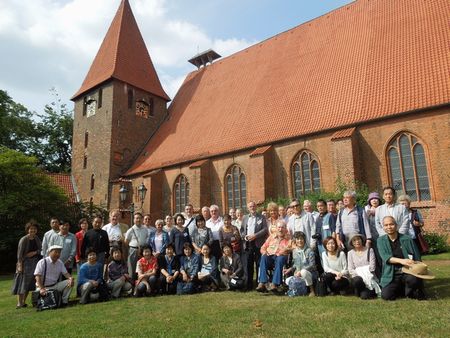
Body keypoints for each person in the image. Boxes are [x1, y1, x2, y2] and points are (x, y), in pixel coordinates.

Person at [377, 216, 429, 300]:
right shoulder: (380, 241)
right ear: (383, 227)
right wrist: (402, 261)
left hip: (408, 272)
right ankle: (404, 289)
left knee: (413, 280)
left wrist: (418, 268)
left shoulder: (407, 239)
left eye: (391, 224)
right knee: (386, 296)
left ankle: (412, 289)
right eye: (386, 225)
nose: (389, 227)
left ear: (396, 225)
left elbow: (417, 257)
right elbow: (386, 257)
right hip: (392, 274)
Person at [13, 221, 42, 309]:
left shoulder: (37, 238)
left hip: (34, 264)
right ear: (27, 230)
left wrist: (34, 252)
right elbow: (19, 254)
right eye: (31, 229)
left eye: (34, 229)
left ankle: (23, 302)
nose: (32, 230)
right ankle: (19, 303)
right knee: (22, 283)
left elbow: (40, 250)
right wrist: (20, 266)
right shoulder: (23, 239)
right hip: (24, 263)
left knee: (29, 284)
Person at [256, 221, 291, 293]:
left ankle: (274, 284)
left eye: (282, 227)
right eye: (279, 227)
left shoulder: (288, 238)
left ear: (285, 229)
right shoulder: (272, 236)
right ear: (276, 228)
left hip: (281, 257)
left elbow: (290, 248)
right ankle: (262, 282)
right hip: (270, 257)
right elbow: (263, 247)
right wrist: (264, 252)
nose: (280, 229)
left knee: (280, 258)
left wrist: (281, 252)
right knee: (263, 257)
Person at [241, 201, 268, 290]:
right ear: (248, 208)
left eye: (253, 206)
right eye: (250, 206)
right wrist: (245, 237)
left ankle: (259, 283)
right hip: (248, 244)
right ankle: (249, 285)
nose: (252, 208)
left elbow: (265, 229)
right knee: (248, 264)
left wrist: (255, 236)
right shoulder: (245, 218)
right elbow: (241, 230)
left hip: (258, 244)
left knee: (259, 264)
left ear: (256, 207)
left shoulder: (262, 217)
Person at [284, 231, 317, 297]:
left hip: (310, 273)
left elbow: (312, 265)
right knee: (287, 280)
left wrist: (301, 272)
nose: (299, 241)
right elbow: (295, 264)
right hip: (298, 273)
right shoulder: (295, 251)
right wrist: (289, 269)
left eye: (301, 239)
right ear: (295, 241)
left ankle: (312, 291)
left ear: (304, 240)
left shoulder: (309, 251)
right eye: (298, 239)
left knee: (304, 272)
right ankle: (299, 291)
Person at [347, 234, 378, 299]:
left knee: (364, 296)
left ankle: (365, 292)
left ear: (362, 240)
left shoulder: (370, 250)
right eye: (354, 240)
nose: (357, 241)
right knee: (357, 280)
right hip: (358, 278)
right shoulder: (350, 253)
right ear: (352, 243)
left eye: (358, 239)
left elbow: (372, 268)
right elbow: (350, 269)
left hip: (369, 278)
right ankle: (358, 291)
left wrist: (359, 270)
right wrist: (363, 271)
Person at [124, 213, 149, 281]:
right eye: (136, 218)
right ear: (134, 220)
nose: (138, 220)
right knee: (132, 268)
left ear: (142, 219)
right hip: (133, 250)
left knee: (142, 268)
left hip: (143, 251)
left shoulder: (145, 229)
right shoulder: (130, 230)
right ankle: (131, 284)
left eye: (139, 218)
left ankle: (142, 283)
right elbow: (126, 242)